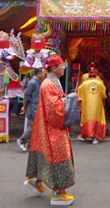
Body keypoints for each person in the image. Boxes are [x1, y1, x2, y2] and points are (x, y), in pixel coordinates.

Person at [24, 55, 75, 205]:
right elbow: (54, 109)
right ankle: (58, 193)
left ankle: (36, 180)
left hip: (49, 125)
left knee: (47, 153)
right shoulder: (48, 84)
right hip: (53, 127)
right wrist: (70, 100)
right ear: (54, 68)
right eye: (61, 65)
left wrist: (65, 98)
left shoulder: (51, 82)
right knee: (58, 155)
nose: (64, 67)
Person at [17, 68, 46, 152]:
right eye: (44, 73)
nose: (45, 75)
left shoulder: (38, 82)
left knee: (34, 126)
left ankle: (31, 144)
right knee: (32, 126)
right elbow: (26, 97)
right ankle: (21, 140)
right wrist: (24, 107)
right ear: (39, 74)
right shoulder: (32, 83)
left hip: (36, 107)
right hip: (33, 108)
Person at [77, 69, 107, 144]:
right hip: (97, 106)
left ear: (89, 76)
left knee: (85, 119)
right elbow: (103, 95)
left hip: (86, 106)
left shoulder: (83, 84)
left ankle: (85, 135)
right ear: (96, 76)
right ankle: (96, 137)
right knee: (98, 119)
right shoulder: (100, 83)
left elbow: (79, 96)